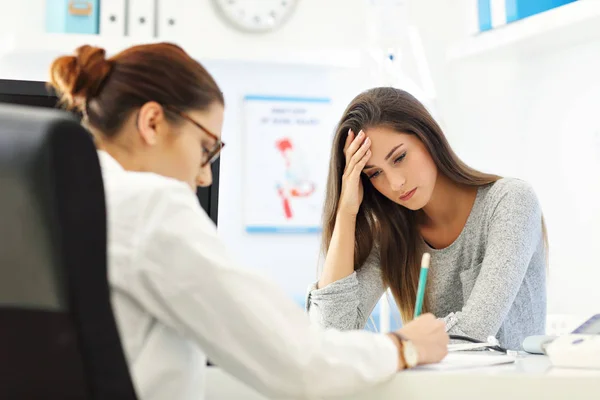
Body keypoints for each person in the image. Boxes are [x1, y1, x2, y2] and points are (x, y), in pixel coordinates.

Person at [48, 44, 449, 400]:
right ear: (151, 122)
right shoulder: (150, 206)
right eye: (207, 149)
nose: (205, 176)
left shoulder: (56, 192)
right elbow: (298, 364)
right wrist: (402, 346)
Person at [306, 87, 547, 350]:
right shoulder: (390, 233)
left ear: (427, 137)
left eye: (399, 157)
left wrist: (393, 349)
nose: (396, 183)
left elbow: (475, 332)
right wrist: (346, 211)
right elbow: (330, 338)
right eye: (375, 174)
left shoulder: (510, 201)